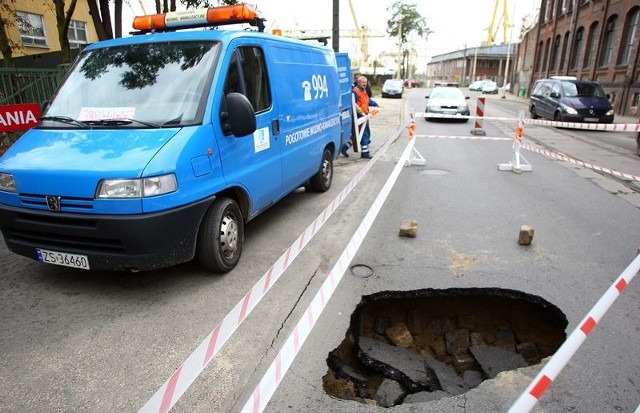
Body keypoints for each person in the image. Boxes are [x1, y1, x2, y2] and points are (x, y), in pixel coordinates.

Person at [341, 75, 378, 159]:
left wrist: (375, 104)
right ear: (358, 82)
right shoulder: (356, 91)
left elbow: (367, 101)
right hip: (359, 116)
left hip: (364, 116)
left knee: (357, 134)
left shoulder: (363, 91)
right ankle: (365, 153)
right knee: (364, 134)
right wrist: (361, 113)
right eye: (362, 82)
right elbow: (354, 104)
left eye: (365, 82)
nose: (364, 84)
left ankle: (345, 147)